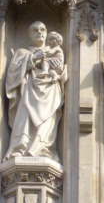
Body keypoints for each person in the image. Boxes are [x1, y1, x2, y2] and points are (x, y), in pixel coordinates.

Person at [4, 21, 67, 161]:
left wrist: (59, 70)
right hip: (28, 91)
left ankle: (43, 148)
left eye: (43, 29)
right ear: (29, 35)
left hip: (50, 91)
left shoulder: (55, 51)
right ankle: (20, 148)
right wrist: (32, 58)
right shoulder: (22, 52)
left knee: (48, 120)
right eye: (35, 30)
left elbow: (61, 72)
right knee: (25, 118)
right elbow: (12, 75)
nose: (40, 32)